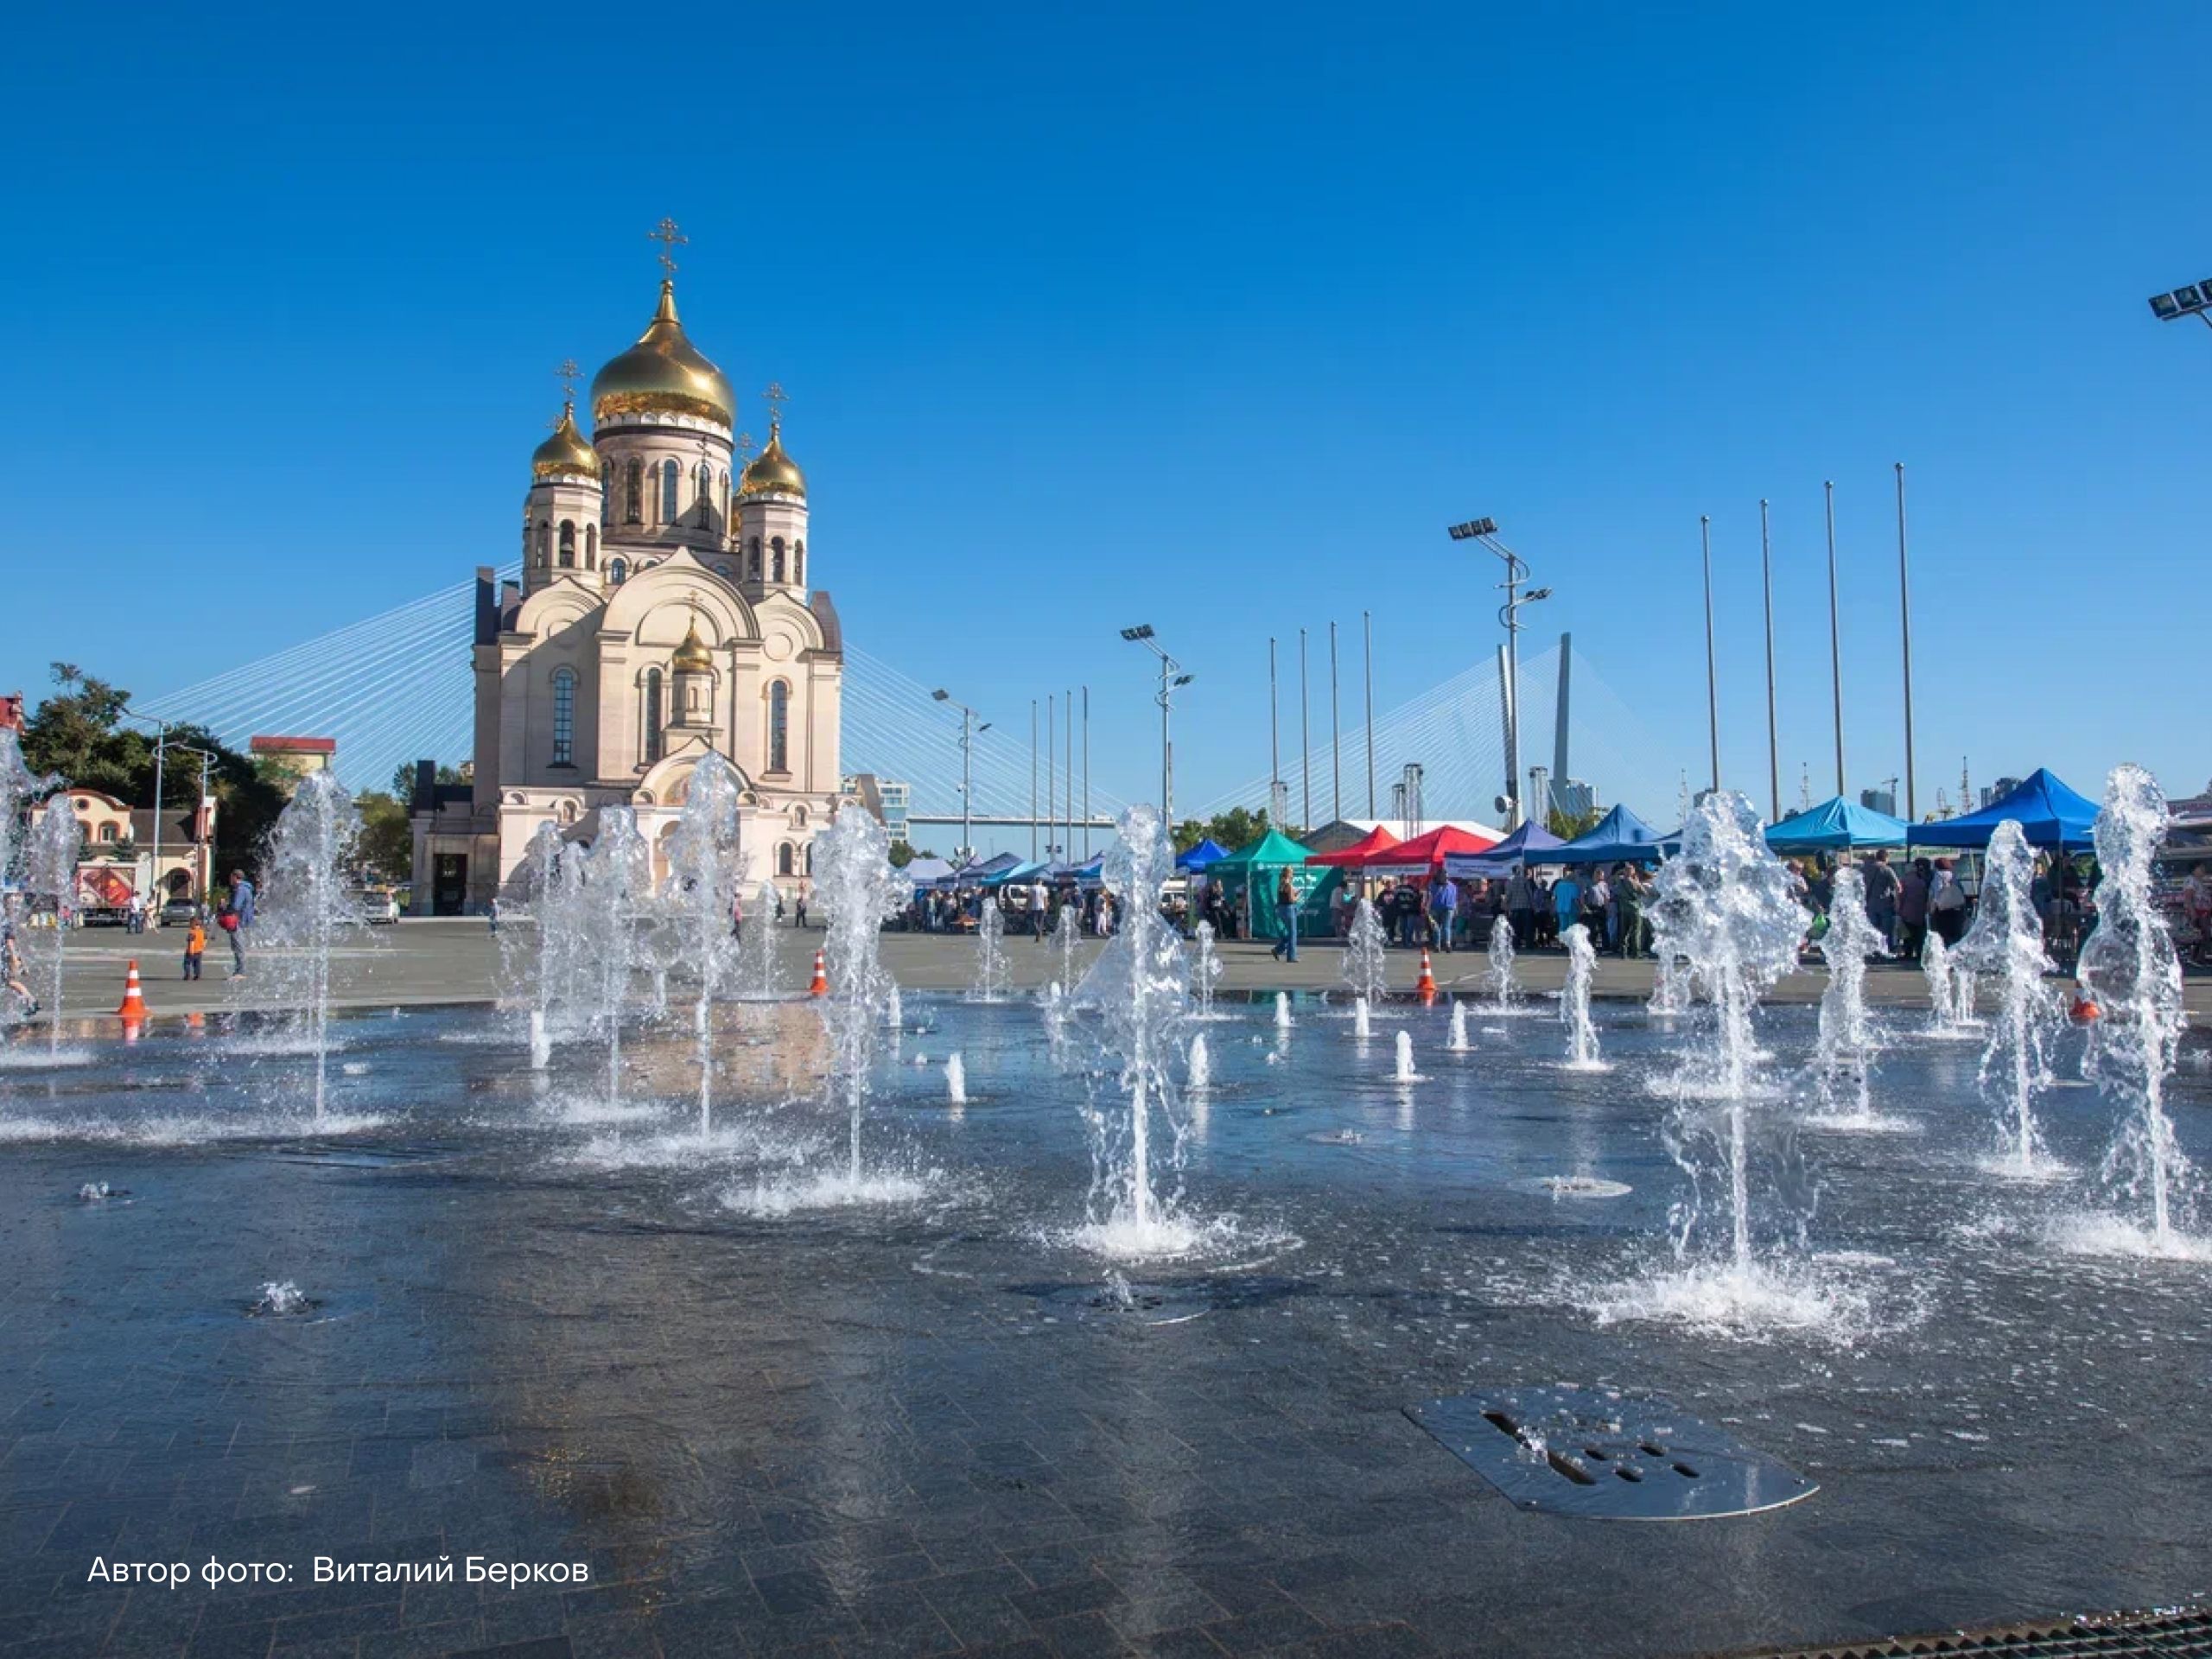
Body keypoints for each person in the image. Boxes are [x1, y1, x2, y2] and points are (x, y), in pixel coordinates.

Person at [1863, 849, 1902, 950]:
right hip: (1884, 903)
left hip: (1869, 903)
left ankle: (1873, 951)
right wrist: (1897, 901)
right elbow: (1898, 887)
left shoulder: (1864, 869)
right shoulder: (1887, 869)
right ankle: (1885, 950)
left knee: (1872, 928)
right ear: (1886, 858)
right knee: (1886, 930)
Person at [1899, 857, 1931, 961]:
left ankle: (1908, 952)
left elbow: (1901, 896)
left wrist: (1900, 908)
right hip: (1920, 910)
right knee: (1919, 933)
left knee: (1908, 933)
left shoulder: (1904, 880)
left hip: (1907, 909)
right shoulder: (1923, 880)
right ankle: (1919, 952)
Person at [1269, 865, 1300, 963]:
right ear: (1290, 874)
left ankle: (1278, 949)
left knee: (1290, 933)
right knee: (1293, 933)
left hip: (1281, 909)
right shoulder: (1289, 885)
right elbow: (1292, 899)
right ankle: (1291, 957)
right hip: (1289, 909)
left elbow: (1279, 899)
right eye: (1292, 872)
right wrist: (1297, 896)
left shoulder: (1280, 885)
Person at [1428, 872, 1459, 952]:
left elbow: (1430, 897)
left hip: (1435, 908)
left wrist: (1427, 907)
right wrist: (1455, 909)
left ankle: (1437, 945)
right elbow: (1455, 899)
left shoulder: (1432, 884)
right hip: (1449, 908)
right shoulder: (1453, 886)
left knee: (1436, 926)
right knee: (1447, 927)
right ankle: (1448, 944)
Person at [217, 899, 245, 978]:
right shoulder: (226, 913)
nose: (220, 905)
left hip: (235, 930)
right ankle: (238, 971)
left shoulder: (228, 912)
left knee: (239, 951)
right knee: (237, 951)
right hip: (234, 930)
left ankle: (240, 972)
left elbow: (224, 923)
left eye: (222, 904)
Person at [182, 915, 206, 981]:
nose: (189, 925)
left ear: (193, 923)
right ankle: (197, 975)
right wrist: (203, 946)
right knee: (197, 964)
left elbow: (191, 941)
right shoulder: (202, 931)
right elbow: (205, 939)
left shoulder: (192, 932)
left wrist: (191, 951)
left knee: (186, 963)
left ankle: (187, 975)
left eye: (190, 923)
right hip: (199, 951)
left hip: (192, 951)